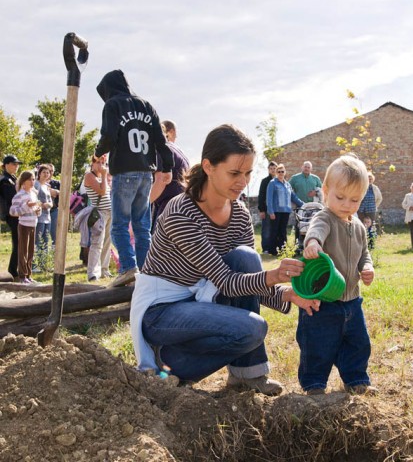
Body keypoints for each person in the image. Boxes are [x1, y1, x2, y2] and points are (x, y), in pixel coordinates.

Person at [130, 124, 320, 396]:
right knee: (252, 328)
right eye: (234, 173)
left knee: (245, 257)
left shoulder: (240, 214)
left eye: (247, 173)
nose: (242, 182)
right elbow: (228, 283)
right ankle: (164, 364)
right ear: (208, 166)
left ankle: (248, 374)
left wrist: (287, 294)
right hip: (161, 311)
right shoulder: (180, 212)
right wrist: (275, 276)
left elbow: (245, 279)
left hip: (200, 300)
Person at [300, 154, 376, 396]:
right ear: (325, 191)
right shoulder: (325, 217)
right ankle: (314, 384)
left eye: (354, 199)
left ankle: (356, 380)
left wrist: (367, 267)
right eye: (340, 197)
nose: (346, 204)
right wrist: (313, 243)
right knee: (318, 344)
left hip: (352, 300)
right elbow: (316, 230)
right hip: (323, 300)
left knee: (358, 343)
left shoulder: (359, 228)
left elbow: (365, 254)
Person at [94, 69, 174, 287]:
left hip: (124, 171)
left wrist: (98, 150)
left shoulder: (113, 105)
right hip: (146, 173)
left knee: (119, 225)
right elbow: (161, 141)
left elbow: (108, 136)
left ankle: (128, 268)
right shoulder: (147, 105)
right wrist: (167, 166)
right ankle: (148, 271)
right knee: (141, 225)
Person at [150, 120, 190, 232]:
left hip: (169, 206)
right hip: (182, 204)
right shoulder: (177, 150)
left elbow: (161, 181)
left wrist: (142, 206)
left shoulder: (160, 150)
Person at [9, 170, 42, 284]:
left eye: (33, 179)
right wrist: (25, 206)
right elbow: (12, 211)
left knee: (31, 251)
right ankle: (22, 276)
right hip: (24, 225)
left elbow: (36, 209)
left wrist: (38, 210)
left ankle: (29, 274)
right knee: (23, 251)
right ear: (23, 181)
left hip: (33, 224)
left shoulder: (33, 193)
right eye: (30, 179)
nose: (32, 182)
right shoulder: (19, 195)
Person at [84, 155, 112, 281]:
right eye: (98, 162)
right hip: (99, 213)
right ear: (93, 164)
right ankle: (93, 272)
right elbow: (101, 191)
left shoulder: (102, 177)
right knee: (97, 243)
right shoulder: (89, 176)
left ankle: (104, 269)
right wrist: (105, 175)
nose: (101, 165)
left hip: (109, 212)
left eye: (103, 162)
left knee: (107, 243)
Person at [266, 164, 304, 256]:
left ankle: (282, 249)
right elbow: (269, 198)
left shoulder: (287, 184)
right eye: (279, 171)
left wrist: (305, 204)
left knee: (283, 231)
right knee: (274, 231)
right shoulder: (272, 183)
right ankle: (273, 251)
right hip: (276, 211)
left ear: (285, 172)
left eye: (282, 171)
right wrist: (270, 211)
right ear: (276, 172)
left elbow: (293, 197)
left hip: (285, 211)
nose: (281, 173)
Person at [0, 155, 22, 280]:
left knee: (19, 243)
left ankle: (15, 269)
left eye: (17, 164)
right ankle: (13, 271)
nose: (16, 166)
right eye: (14, 164)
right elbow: (12, 198)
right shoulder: (4, 180)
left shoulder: (12, 178)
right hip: (12, 214)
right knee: (17, 243)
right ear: (6, 165)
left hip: (17, 213)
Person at [33, 164, 53, 272]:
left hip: (48, 217)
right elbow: (33, 198)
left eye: (48, 172)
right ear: (39, 173)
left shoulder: (46, 186)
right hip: (39, 216)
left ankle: (44, 263)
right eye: (44, 172)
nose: (46, 174)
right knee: (38, 240)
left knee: (45, 241)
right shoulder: (36, 184)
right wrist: (42, 204)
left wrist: (50, 204)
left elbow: (50, 200)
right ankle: (35, 265)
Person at [257, 161, 277, 254]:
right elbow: (261, 195)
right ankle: (265, 248)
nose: (273, 170)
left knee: (275, 229)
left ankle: (275, 247)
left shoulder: (280, 180)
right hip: (267, 209)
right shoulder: (265, 181)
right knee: (266, 229)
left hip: (278, 209)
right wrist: (261, 210)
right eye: (271, 169)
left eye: (274, 168)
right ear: (268, 170)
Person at [46, 164, 60, 246]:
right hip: (42, 211)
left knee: (55, 235)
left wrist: (57, 192)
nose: (50, 173)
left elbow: (65, 194)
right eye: (48, 171)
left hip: (54, 211)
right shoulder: (38, 183)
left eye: (52, 171)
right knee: (42, 235)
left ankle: (54, 255)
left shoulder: (57, 183)